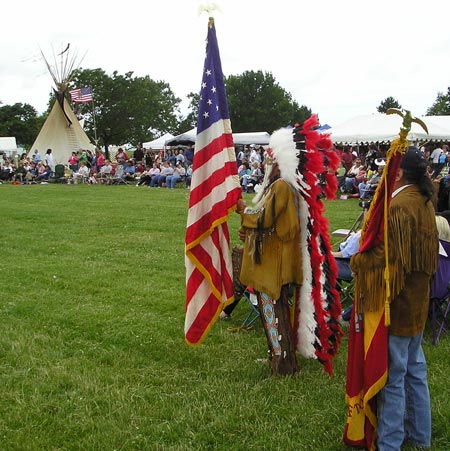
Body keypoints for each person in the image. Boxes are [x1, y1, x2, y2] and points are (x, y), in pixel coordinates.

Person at [236, 119, 342, 376]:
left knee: (273, 308)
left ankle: (282, 362)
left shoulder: (282, 187)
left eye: (268, 160)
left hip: (274, 263)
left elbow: (263, 217)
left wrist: (242, 209)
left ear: (277, 163)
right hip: (274, 260)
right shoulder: (282, 186)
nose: (264, 164)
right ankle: (279, 355)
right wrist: (249, 230)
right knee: (274, 308)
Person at [350, 147, 439, 451]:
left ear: (398, 171)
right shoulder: (425, 200)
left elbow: (389, 260)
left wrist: (359, 260)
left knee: (394, 377)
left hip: (397, 305)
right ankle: (420, 437)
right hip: (417, 302)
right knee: (416, 371)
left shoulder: (400, 204)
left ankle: (390, 443)